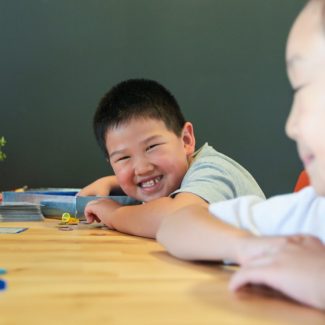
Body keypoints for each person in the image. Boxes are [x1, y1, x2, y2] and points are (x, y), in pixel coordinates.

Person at [157, 0, 325, 310]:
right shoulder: (311, 213)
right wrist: (251, 247)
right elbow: (174, 226)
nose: (291, 126)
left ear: (187, 139)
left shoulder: (211, 167)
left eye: (301, 90)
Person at [79, 78, 265, 238]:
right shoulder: (179, 177)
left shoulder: (213, 170)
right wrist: (113, 182)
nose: (142, 168)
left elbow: (179, 218)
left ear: (186, 140)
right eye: (123, 158)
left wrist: (114, 215)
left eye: (152, 147)